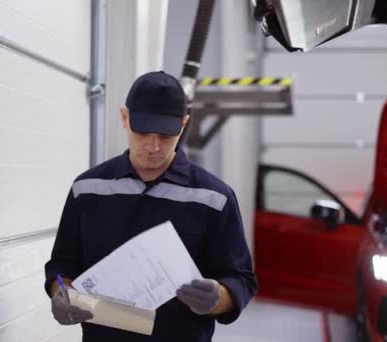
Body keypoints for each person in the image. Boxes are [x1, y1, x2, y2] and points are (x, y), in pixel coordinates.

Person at [44, 71, 258, 341]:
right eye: (143, 131)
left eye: (166, 135)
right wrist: (60, 293)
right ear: (124, 118)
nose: (153, 146)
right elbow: (63, 265)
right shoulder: (87, 189)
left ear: (183, 125)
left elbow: (242, 280)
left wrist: (219, 298)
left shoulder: (214, 198)